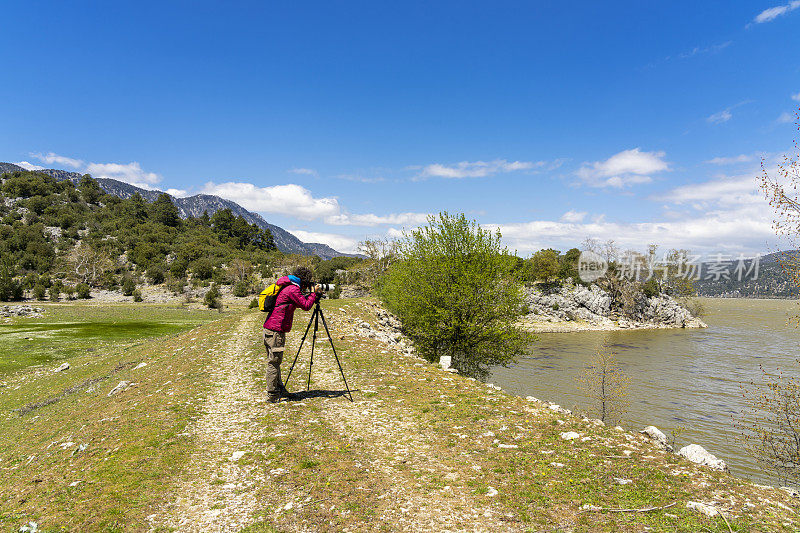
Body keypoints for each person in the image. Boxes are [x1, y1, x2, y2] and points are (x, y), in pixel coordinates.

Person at [263, 266, 322, 403]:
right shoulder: (293, 289)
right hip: (275, 331)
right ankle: (272, 394)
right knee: (274, 362)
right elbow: (306, 306)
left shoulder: (289, 287)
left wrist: (312, 294)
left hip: (271, 329)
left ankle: (279, 389)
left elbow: (300, 301)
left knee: (274, 361)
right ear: (305, 280)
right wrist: (313, 293)